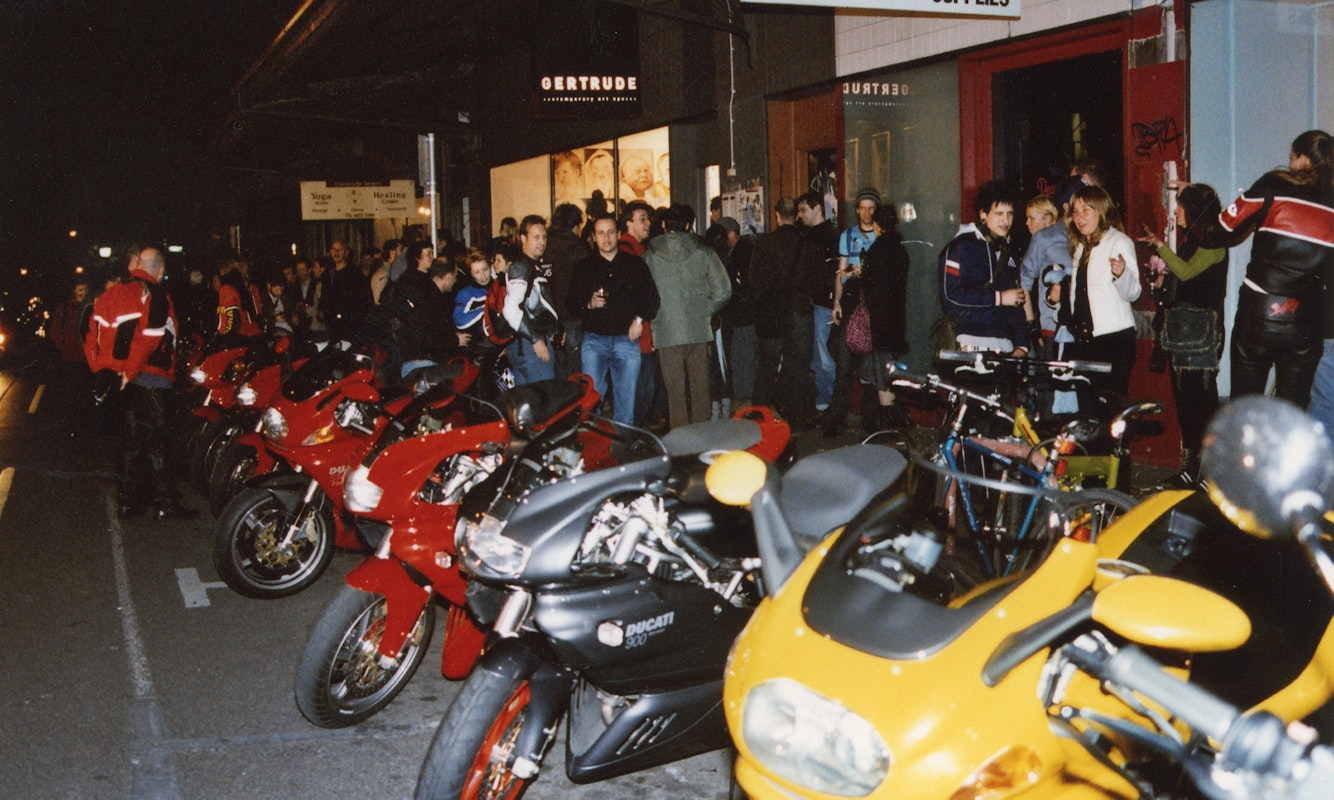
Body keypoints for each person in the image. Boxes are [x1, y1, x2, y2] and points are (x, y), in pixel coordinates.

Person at [1204, 130, 1334, 412]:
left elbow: (1221, 229)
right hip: (1306, 319)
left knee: (1244, 406)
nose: (1288, 164)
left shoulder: (1274, 184)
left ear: (1301, 158)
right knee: (1292, 412)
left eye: (1291, 157)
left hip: (1259, 312)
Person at [84, 246, 197, 520]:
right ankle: (165, 506)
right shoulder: (155, 294)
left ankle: (127, 503)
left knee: (130, 442)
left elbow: (91, 338)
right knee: (159, 442)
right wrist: (130, 373)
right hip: (150, 377)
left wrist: (106, 373)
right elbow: (149, 339)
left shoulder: (109, 295)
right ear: (160, 269)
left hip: (121, 381)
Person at [1137, 183, 1228, 486]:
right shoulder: (1195, 242)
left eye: (1181, 205)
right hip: (1186, 334)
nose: (1176, 211)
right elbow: (1185, 279)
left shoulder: (1214, 244)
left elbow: (1187, 272)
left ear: (1195, 210)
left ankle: (1211, 471)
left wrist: (1161, 247)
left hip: (1200, 336)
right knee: (1186, 402)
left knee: (1200, 402)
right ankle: (1194, 469)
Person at [643, 203, 731, 429]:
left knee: (675, 391)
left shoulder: (650, 255)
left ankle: (681, 441)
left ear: (663, 224)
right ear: (689, 225)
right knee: (701, 388)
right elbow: (723, 291)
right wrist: (704, 310)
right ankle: (702, 436)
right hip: (698, 330)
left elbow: (643, 294)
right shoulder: (704, 251)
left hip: (666, 330)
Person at [567, 214, 660, 424]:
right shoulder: (584, 267)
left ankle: (622, 451)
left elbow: (652, 298)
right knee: (591, 401)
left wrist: (639, 320)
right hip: (594, 341)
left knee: (626, 403)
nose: (606, 237)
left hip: (626, 341)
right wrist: (588, 303)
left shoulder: (635, 264)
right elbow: (570, 303)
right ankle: (594, 449)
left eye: (610, 232)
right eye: (601, 233)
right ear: (594, 237)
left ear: (618, 235)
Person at [1051, 185, 1140, 400]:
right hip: (1084, 341)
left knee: (1110, 411)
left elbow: (1134, 292)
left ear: (1100, 211)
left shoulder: (1118, 241)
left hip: (1113, 341)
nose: (1079, 217)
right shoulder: (1081, 248)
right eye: (1076, 211)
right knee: (1087, 410)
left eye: (1086, 210)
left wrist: (1122, 274)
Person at [749, 197, 820, 426]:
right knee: (798, 364)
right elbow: (816, 279)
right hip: (800, 311)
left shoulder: (764, 243)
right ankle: (795, 416)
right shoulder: (806, 243)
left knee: (767, 365)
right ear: (796, 215)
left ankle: (760, 415)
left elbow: (755, 280)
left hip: (772, 312)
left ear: (777, 216)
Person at [939, 180, 1029, 356]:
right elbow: (951, 296)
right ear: (983, 214)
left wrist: (1022, 344)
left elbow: (1015, 301)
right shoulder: (961, 246)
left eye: (1010, 214)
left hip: (1006, 347)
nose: (1006, 220)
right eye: (999, 213)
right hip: (969, 343)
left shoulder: (1009, 251)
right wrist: (999, 298)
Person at [855, 203, 912, 430]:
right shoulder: (901, 251)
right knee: (890, 368)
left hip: (878, 321)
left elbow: (869, 290)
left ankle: (888, 424)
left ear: (877, 225)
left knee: (881, 372)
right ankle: (892, 418)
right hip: (896, 318)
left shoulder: (875, 251)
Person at [502, 215, 561, 385]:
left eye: (544, 237)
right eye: (536, 237)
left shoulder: (531, 265)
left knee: (530, 404)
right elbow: (510, 309)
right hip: (530, 346)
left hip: (525, 345)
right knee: (544, 401)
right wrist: (535, 339)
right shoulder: (522, 266)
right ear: (523, 238)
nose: (541, 242)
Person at [392, 242, 464, 378]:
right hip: (421, 356)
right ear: (417, 257)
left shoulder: (425, 282)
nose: (432, 257)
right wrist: (452, 340)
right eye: (428, 254)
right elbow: (423, 323)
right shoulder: (412, 282)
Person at [797, 190, 840, 416]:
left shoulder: (820, 238)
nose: (800, 215)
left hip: (822, 304)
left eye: (803, 210)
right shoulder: (825, 235)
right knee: (820, 356)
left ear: (817, 209)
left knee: (824, 358)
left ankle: (829, 403)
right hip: (819, 304)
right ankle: (825, 402)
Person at [545, 203, 589, 380]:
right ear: (576, 225)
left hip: (549, 320)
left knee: (555, 372)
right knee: (574, 373)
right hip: (573, 318)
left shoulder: (545, 245)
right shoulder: (579, 249)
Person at [322, 238, 372, 342]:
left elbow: (365, 301)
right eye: (334, 249)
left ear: (346, 252)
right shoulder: (328, 275)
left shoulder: (355, 274)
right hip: (333, 326)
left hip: (350, 327)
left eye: (340, 249)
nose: (336, 253)